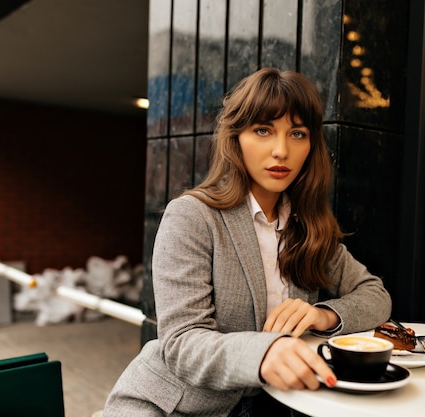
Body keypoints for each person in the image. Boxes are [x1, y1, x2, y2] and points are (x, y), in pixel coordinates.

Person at [103, 68, 392, 417]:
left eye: (297, 133)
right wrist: (264, 352)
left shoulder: (309, 227)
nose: (281, 150)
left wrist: (323, 314)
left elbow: (375, 295)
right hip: (172, 407)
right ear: (236, 138)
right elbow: (181, 343)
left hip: (276, 404)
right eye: (263, 131)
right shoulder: (192, 216)